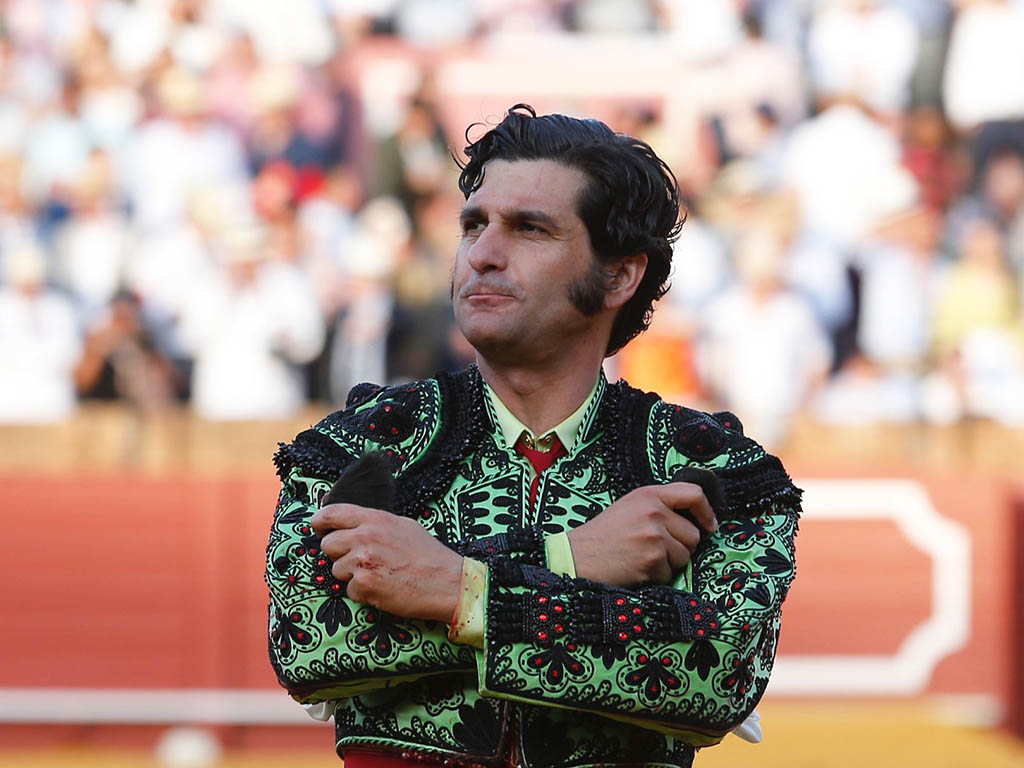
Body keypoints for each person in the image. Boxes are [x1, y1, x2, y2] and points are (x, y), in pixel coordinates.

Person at [266, 104, 800, 768]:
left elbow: (717, 673)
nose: (483, 254)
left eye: (529, 229)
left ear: (619, 275)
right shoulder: (360, 444)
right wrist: (570, 560)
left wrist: (452, 585)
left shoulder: (711, 467)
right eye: (474, 224)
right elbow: (308, 642)